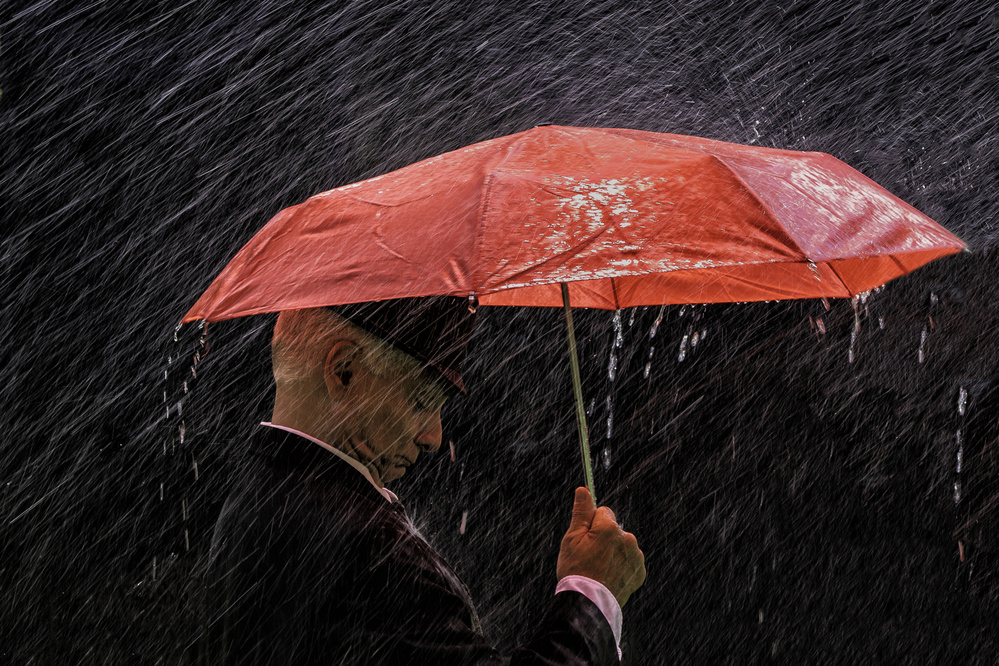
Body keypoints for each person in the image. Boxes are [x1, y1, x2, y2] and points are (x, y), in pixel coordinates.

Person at [202, 298, 646, 665]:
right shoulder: (369, 552)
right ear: (344, 370)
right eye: (420, 400)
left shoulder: (252, 497)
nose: (433, 437)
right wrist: (591, 596)